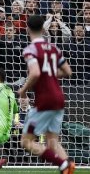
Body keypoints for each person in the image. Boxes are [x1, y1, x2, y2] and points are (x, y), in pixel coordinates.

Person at [17, 15, 75, 174]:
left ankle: (63, 164)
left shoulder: (30, 49)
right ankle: (69, 167)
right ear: (44, 29)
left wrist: (23, 90)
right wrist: (49, 75)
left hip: (45, 100)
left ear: (27, 29)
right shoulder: (54, 48)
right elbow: (68, 72)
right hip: (59, 98)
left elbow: (35, 73)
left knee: (26, 142)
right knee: (52, 141)